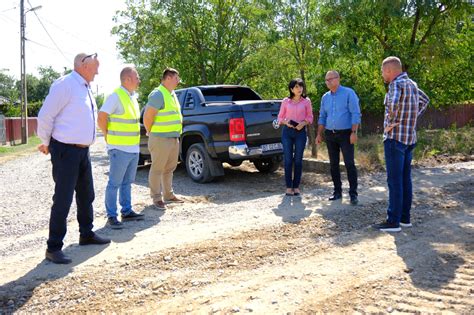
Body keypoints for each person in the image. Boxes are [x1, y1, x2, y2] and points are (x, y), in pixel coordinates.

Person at [37, 53, 110, 264]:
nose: (97, 72)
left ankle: (86, 233)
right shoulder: (65, 84)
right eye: (95, 67)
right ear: (83, 65)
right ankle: (53, 247)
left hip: (82, 151)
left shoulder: (85, 87)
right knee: (63, 199)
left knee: (87, 194)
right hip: (65, 151)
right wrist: (46, 141)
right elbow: (45, 115)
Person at [373, 56, 429, 232]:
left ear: (389, 70)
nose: (382, 75)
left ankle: (393, 221)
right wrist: (410, 118)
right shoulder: (412, 84)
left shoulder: (395, 84)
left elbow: (393, 102)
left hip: (395, 138)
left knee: (394, 180)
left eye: (383, 71)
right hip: (409, 138)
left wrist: (391, 121)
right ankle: (405, 218)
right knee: (405, 179)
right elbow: (425, 100)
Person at [97, 66, 145, 229]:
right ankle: (112, 215)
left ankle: (127, 211)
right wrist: (107, 135)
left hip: (132, 149)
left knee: (127, 182)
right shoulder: (116, 96)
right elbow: (101, 117)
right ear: (127, 79)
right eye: (136, 77)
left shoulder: (132, 97)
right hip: (119, 149)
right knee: (114, 183)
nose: (139, 80)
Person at [316, 71, 361, 205]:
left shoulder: (348, 93)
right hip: (330, 134)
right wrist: (319, 134)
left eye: (330, 79)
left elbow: (355, 113)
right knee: (333, 165)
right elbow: (322, 116)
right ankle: (337, 192)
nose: (328, 82)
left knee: (349, 164)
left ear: (338, 79)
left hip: (346, 134)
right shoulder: (325, 97)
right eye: (326, 80)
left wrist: (354, 132)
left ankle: (353, 194)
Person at [143, 68, 184, 210]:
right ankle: (156, 198)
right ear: (168, 78)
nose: (178, 82)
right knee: (157, 168)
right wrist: (150, 131)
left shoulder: (171, 94)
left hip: (173, 138)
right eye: (176, 79)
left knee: (169, 168)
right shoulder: (158, 94)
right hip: (160, 138)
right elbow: (148, 116)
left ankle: (168, 195)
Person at [277, 78, 313, 196]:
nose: (299, 89)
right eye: (297, 87)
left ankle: (296, 186)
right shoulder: (285, 101)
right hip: (287, 132)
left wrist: (303, 123)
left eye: (301, 87)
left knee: (298, 160)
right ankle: (288, 187)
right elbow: (280, 118)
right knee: (288, 160)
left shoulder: (306, 101)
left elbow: (310, 117)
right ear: (291, 89)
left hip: (300, 133)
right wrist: (286, 122)